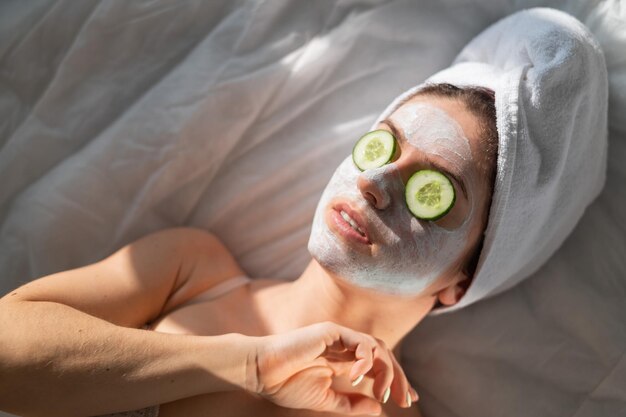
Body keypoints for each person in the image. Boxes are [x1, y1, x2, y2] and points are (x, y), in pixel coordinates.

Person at [0, 7, 608, 417]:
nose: (376, 181)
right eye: (384, 144)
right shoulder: (193, 268)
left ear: (461, 281)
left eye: (433, 188)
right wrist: (249, 365)